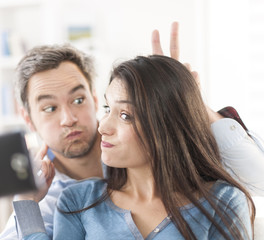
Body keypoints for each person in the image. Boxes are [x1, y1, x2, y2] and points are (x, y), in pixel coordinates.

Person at [0, 23, 263, 240]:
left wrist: (185, 101)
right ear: (28, 118)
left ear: (94, 97)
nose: (70, 118)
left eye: (79, 99)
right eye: (49, 107)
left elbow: (258, 177)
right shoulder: (66, 201)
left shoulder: (220, 198)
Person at [18, 55, 255, 240]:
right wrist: (26, 204)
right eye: (108, 110)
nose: (104, 127)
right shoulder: (78, 201)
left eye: (125, 115)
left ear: (167, 124)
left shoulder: (224, 201)